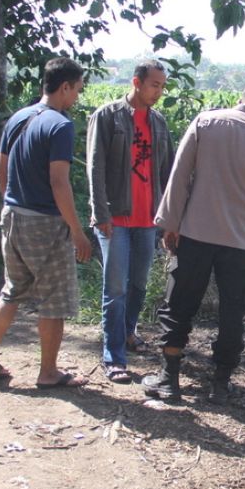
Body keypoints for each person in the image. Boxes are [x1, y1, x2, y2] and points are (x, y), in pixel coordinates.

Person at [144, 80, 245, 404]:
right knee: (232, 312)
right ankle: (220, 385)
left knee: (179, 304)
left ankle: (169, 379)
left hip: (195, 232)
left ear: (242, 100)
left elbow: (179, 175)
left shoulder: (205, 122)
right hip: (241, 241)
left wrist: (170, 223)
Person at [0, 57, 93, 388]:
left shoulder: (18, 118)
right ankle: (48, 372)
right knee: (54, 300)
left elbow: (1, 170)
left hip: (12, 217)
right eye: (77, 91)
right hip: (45, 224)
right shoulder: (60, 125)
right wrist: (77, 232)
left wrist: (12, 203)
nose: (77, 98)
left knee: (12, 290)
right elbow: (59, 183)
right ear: (64, 86)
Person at [86, 59, 175, 384]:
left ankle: (127, 331)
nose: (159, 92)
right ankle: (113, 357)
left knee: (138, 284)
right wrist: (101, 212)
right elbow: (94, 167)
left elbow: (167, 173)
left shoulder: (159, 123)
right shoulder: (108, 116)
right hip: (117, 217)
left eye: (163, 86)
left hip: (148, 218)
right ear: (137, 82)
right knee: (116, 287)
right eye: (155, 85)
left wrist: (169, 217)